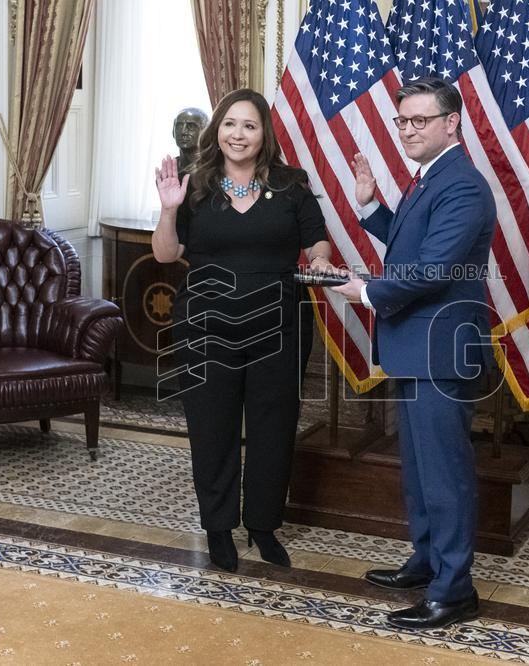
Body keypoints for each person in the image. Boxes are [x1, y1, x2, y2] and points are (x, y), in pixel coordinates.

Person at [333, 78, 496, 630]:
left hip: (441, 351)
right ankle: (428, 563)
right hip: (417, 347)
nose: (407, 130)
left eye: (419, 121)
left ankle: (455, 590)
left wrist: (369, 292)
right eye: (402, 122)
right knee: (421, 471)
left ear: (452, 122)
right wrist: (371, 205)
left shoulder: (464, 186)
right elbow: (412, 243)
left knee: (445, 473)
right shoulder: (430, 179)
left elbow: (433, 269)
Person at [151, 89, 336, 573]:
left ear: (264, 134)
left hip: (280, 323)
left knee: (274, 426)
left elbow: (316, 239)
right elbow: (166, 255)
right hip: (206, 326)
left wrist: (319, 261)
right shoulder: (195, 186)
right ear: (219, 130)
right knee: (213, 427)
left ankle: (263, 526)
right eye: (230, 124)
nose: (238, 134)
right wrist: (169, 209)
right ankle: (218, 529)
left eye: (249, 126)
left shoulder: (292, 185)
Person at [173, 107, 208, 174]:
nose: (183, 132)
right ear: (173, 131)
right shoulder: (170, 169)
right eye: (179, 126)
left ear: (205, 132)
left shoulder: (213, 169)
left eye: (191, 127)